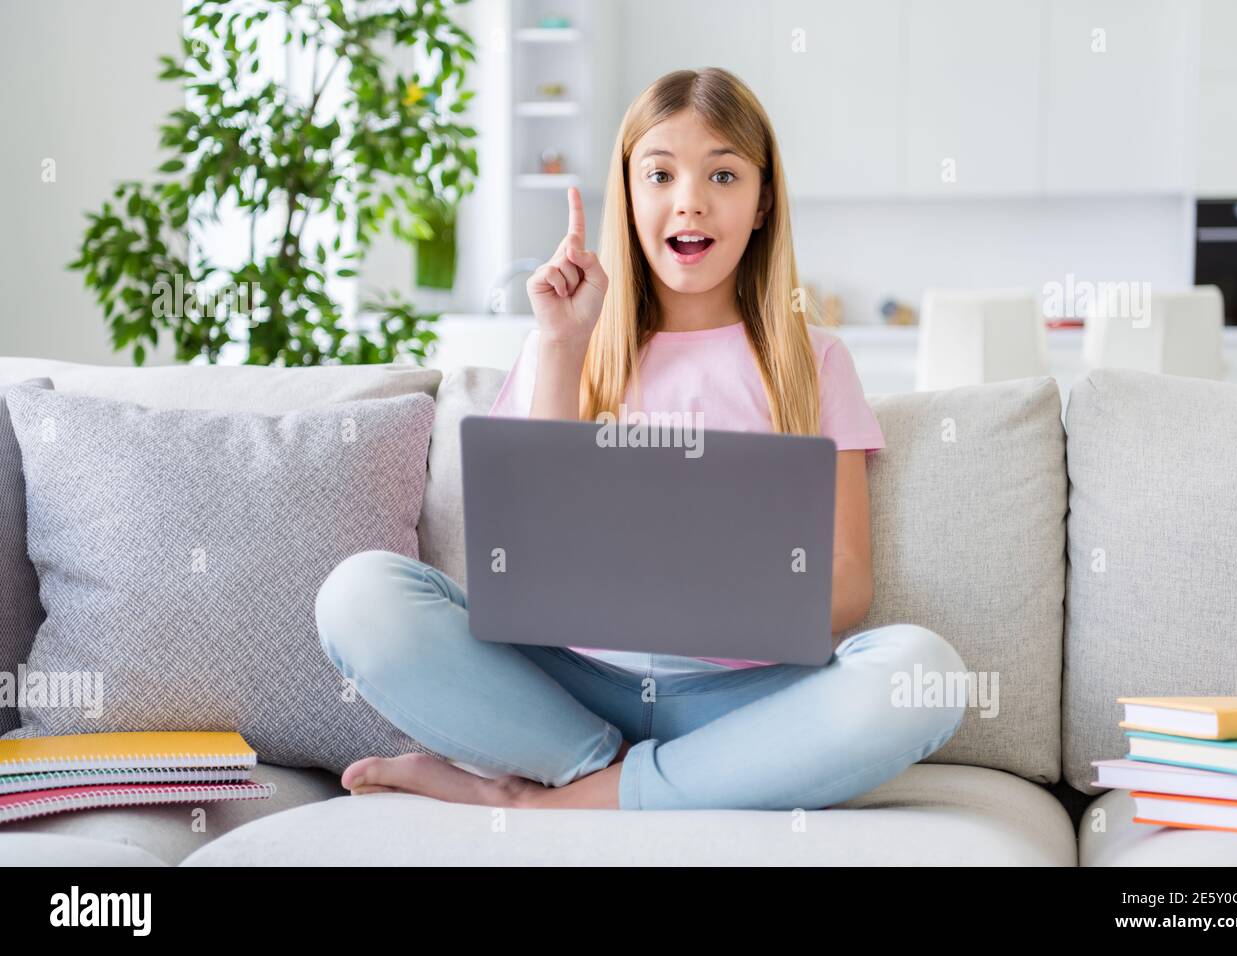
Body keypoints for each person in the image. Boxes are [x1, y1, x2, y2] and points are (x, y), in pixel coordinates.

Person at [314, 67, 967, 811]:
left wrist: (714, 603)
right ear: (627, 198)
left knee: (926, 672)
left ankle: (557, 796)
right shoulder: (561, 344)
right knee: (358, 594)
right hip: (568, 687)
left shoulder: (814, 361)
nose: (690, 198)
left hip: (742, 698)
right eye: (659, 174)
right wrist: (562, 345)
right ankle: (626, 772)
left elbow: (849, 583)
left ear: (761, 205)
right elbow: (521, 554)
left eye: (723, 173)